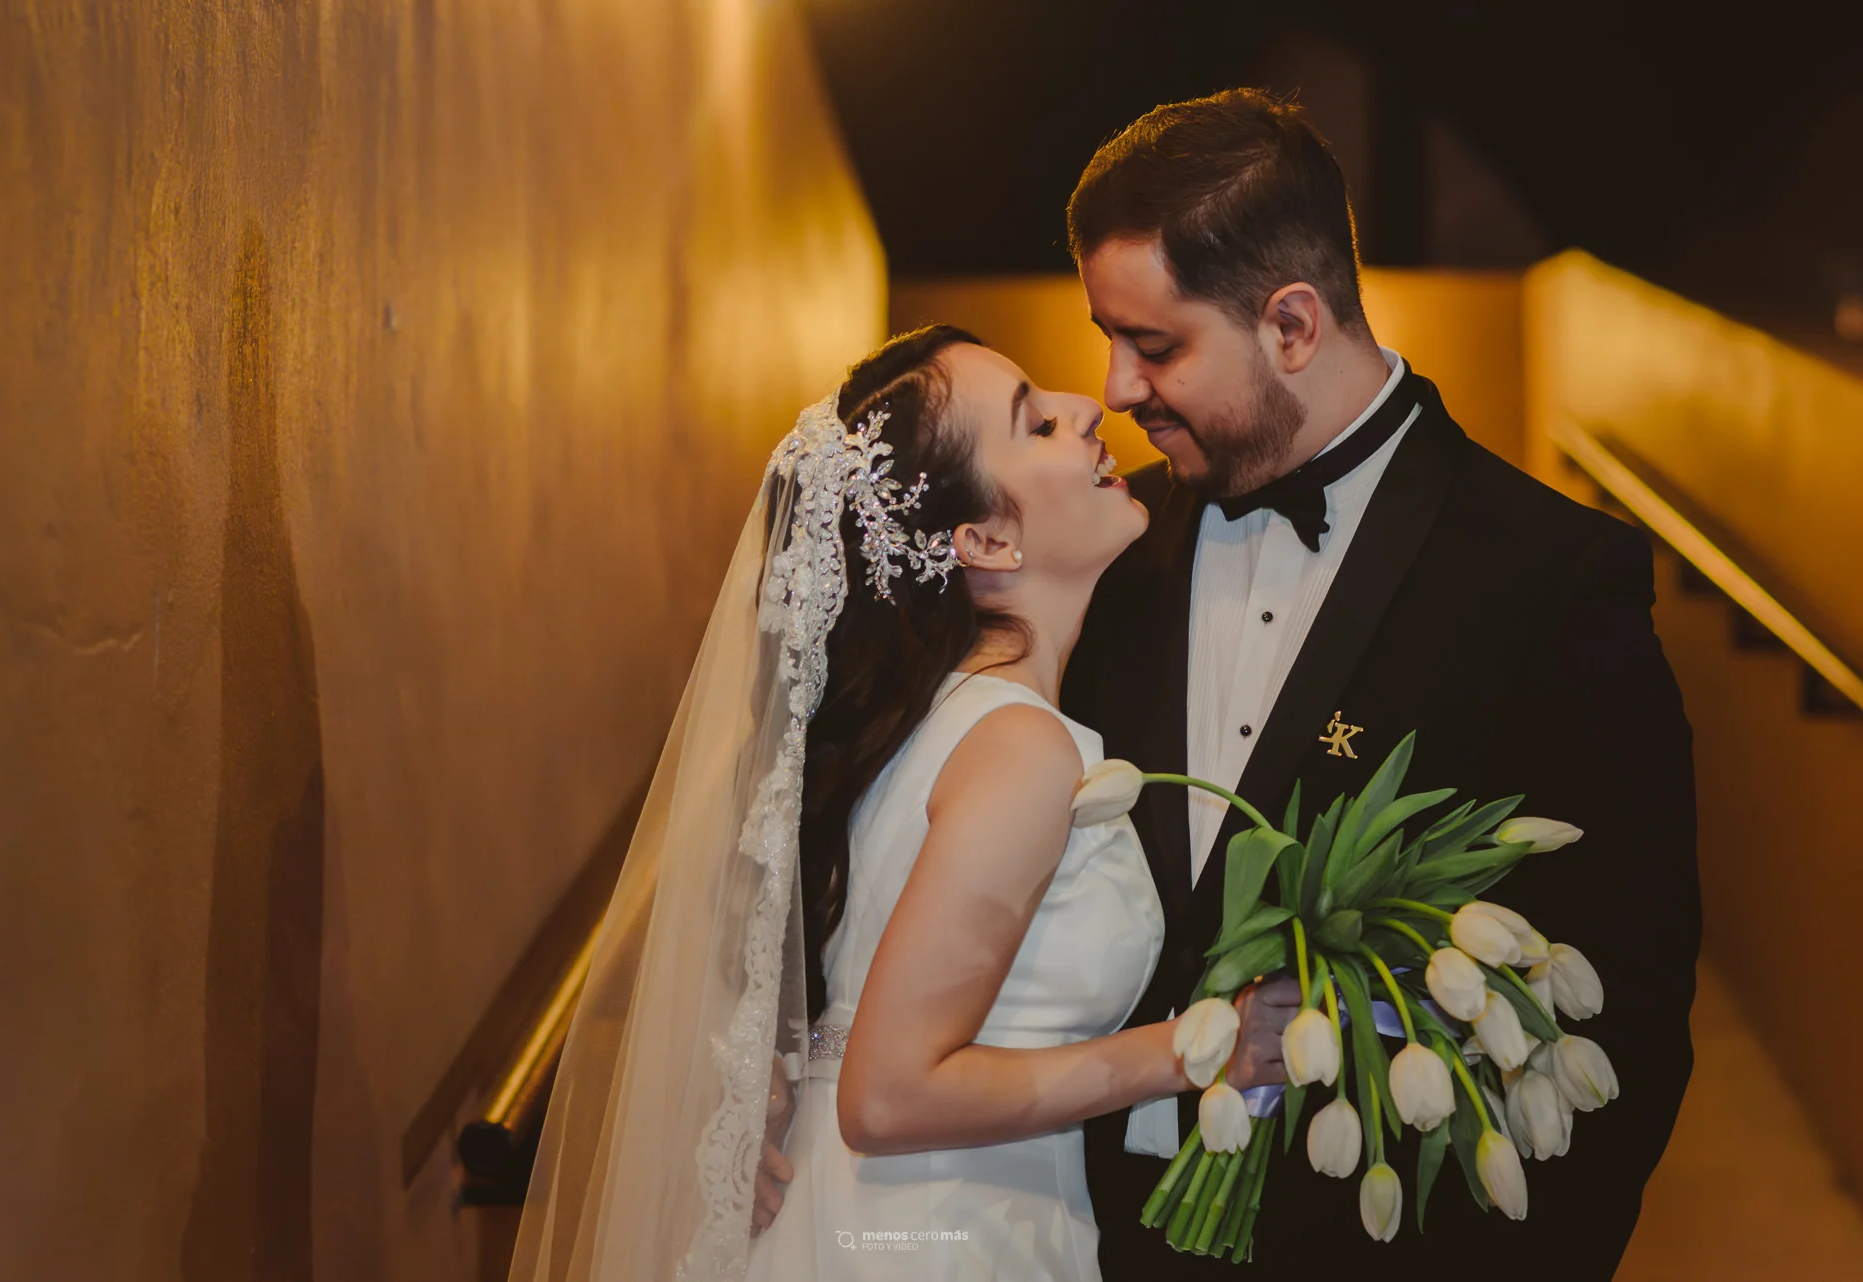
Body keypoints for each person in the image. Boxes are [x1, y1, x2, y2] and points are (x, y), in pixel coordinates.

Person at [1058, 90, 1701, 1278]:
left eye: (1155, 345)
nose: (1115, 389)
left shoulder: (1549, 575)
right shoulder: (1108, 555)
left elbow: (1632, 992)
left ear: (1293, 323)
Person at [512, 325, 1267, 1281]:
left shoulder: (926, 734)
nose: (1089, 409)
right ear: (984, 539)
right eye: (1035, 424)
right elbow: (891, 1097)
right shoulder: (1015, 747)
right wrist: (1202, 1049)